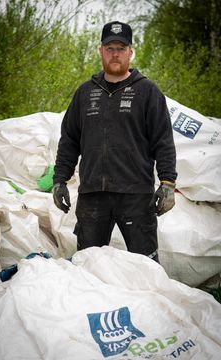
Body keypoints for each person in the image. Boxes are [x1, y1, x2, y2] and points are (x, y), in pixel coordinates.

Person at [53, 21, 177, 262]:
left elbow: (163, 140)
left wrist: (168, 183)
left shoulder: (148, 92)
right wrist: (60, 180)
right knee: (88, 265)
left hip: (136, 195)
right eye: (110, 48)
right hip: (93, 196)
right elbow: (69, 140)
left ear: (130, 52)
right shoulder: (85, 93)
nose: (115, 54)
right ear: (101, 51)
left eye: (121, 48)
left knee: (146, 266)